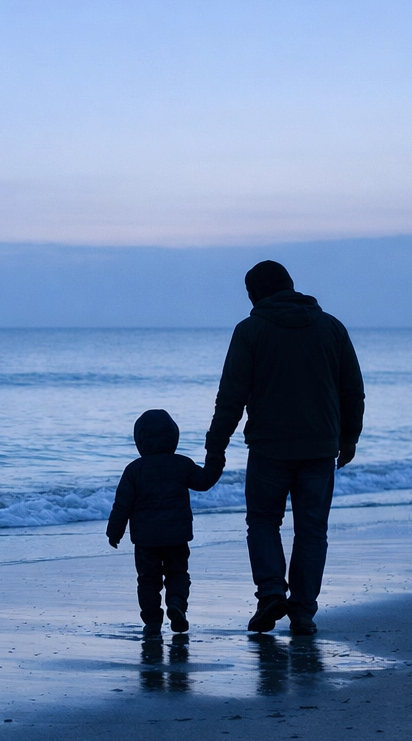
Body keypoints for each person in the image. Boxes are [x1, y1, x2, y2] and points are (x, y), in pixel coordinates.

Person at [205, 260, 365, 637]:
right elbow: (352, 389)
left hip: (268, 448)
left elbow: (231, 397)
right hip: (320, 447)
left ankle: (272, 592)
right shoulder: (331, 328)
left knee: (262, 521)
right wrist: (349, 436)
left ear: (254, 294)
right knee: (311, 531)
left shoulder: (250, 331)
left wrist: (216, 448)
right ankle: (303, 614)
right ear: (291, 285)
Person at [107, 409, 223, 637]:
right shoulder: (182, 464)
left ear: (139, 439)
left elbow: (122, 506)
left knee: (148, 580)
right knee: (178, 573)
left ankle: (152, 621)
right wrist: (215, 458)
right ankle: (176, 604)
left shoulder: (134, 471)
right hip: (177, 536)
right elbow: (205, 481)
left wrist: (114, 532)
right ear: (174, 436)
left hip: (145, 540)